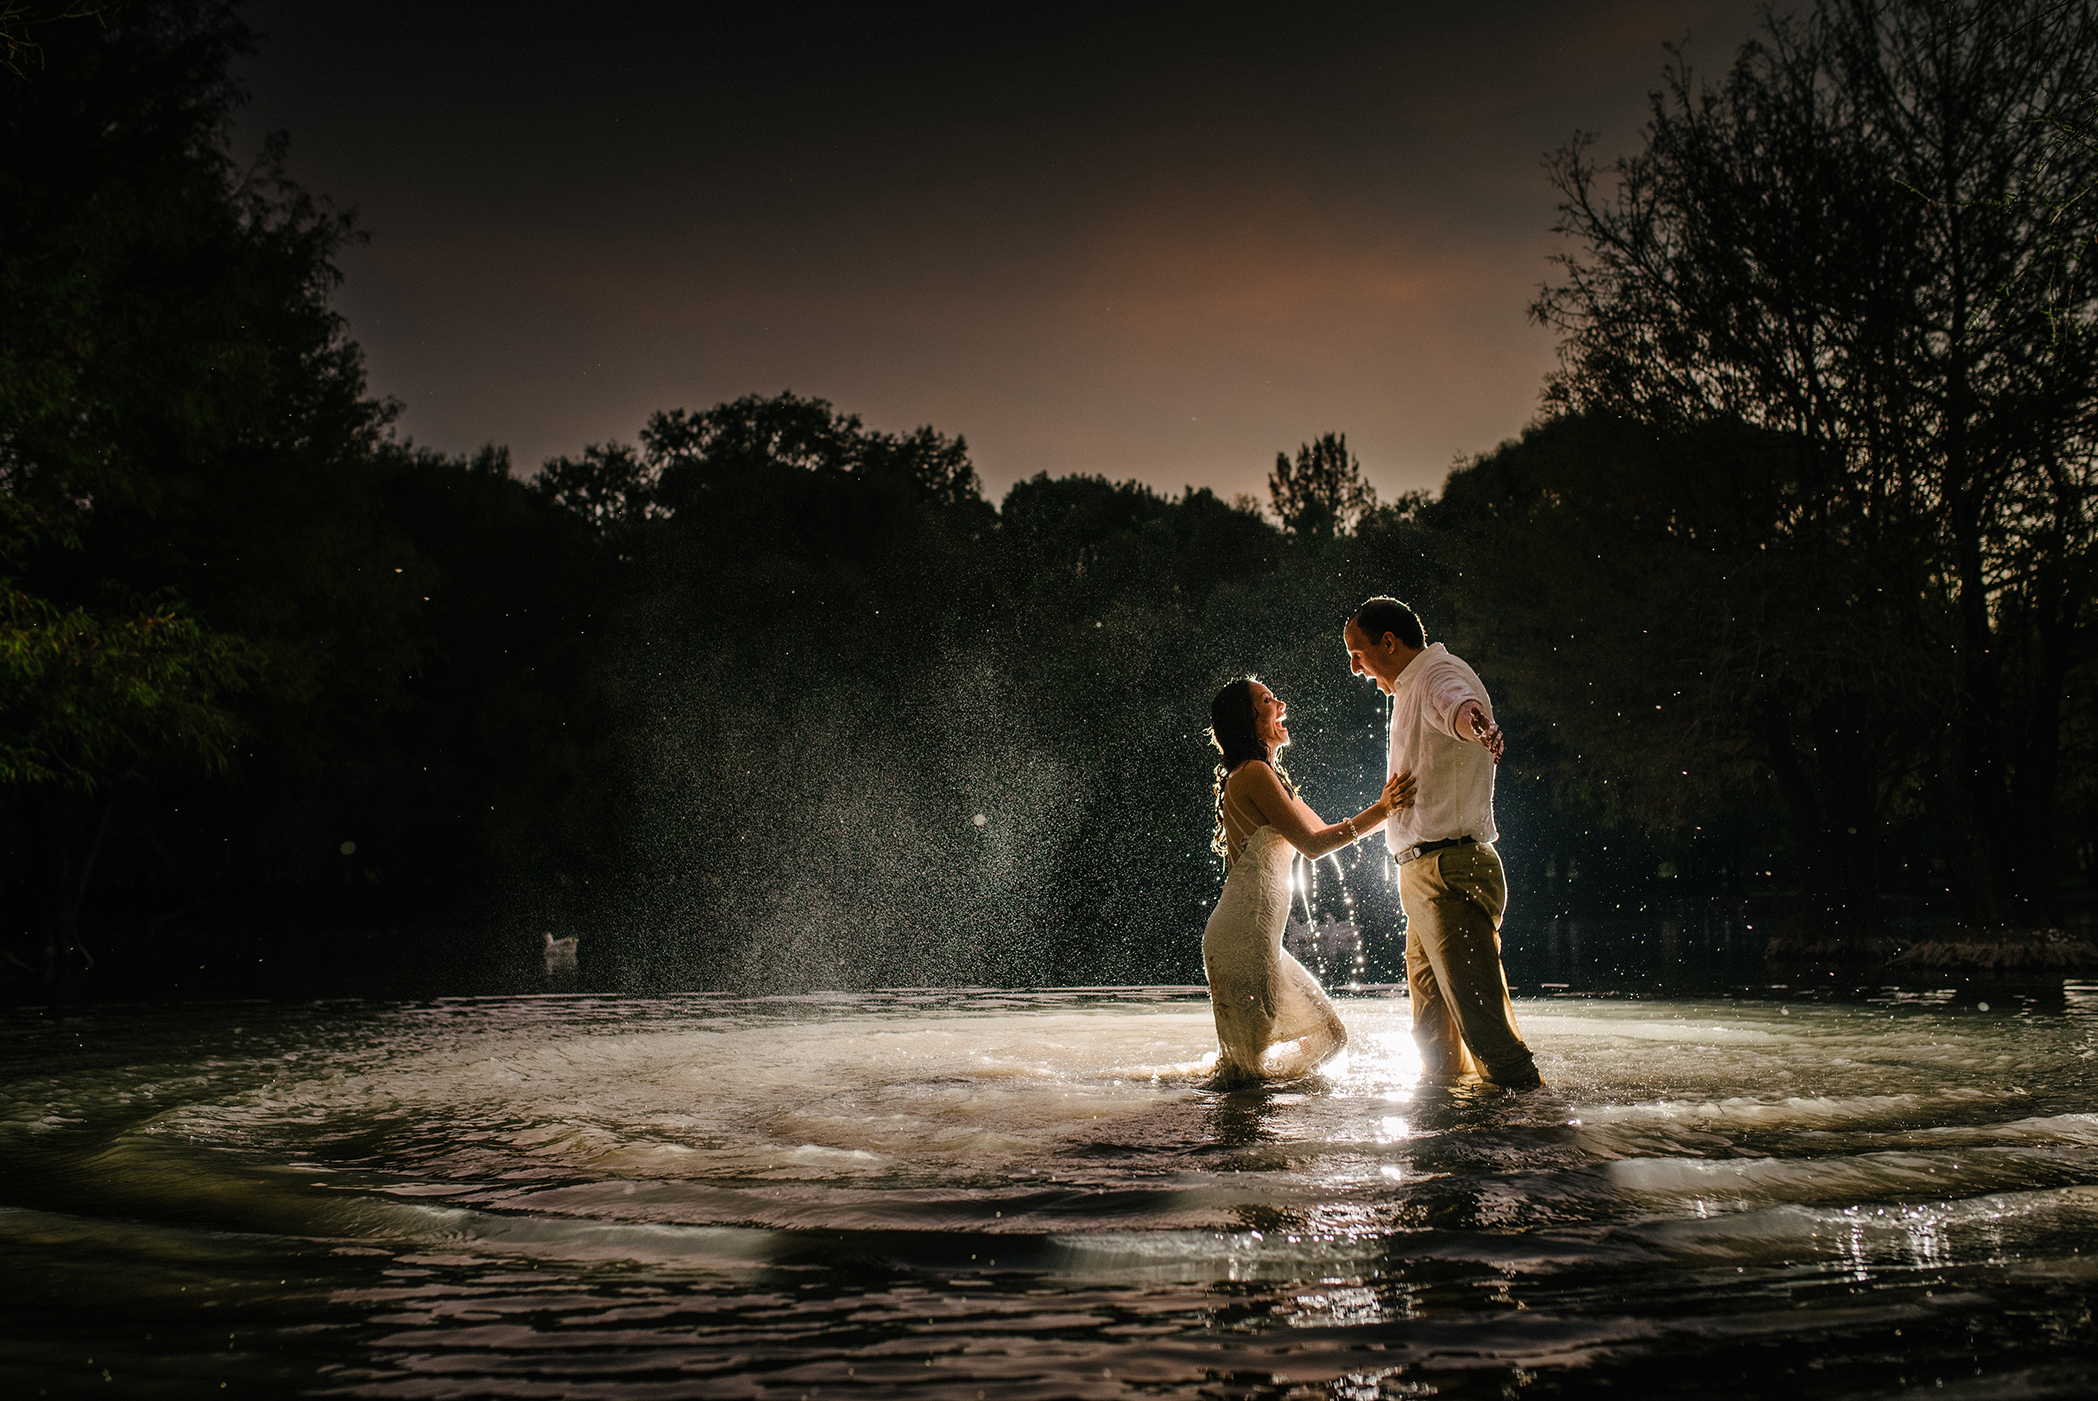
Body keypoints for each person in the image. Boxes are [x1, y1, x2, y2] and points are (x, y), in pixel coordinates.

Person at [1343, 596, 1543, 1090]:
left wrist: (1478, 724)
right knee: (1432, 1040)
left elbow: (1457, 703)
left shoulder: (1436, 674)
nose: (1355, 668)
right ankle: (1454, 1147)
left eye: (1358, 652)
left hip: (1448, 871)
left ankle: (1547, 1141)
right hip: (1422, 876)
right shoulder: (1411, 686)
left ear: (1388, 642)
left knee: (1483, 1027)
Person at [1202, 677, 1413, 1083]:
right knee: (1245, 1073)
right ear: (1250, 718)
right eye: (1267, 699)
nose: (1280, 704)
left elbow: (1329, 832)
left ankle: (1261, 1104)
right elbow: (1313, 845)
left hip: (1258, 940)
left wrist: (1386, 808)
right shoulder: (1252, 774)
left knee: (1326, 1037)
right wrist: (1384, 809)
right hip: (1243, 938)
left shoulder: (1273, 778)